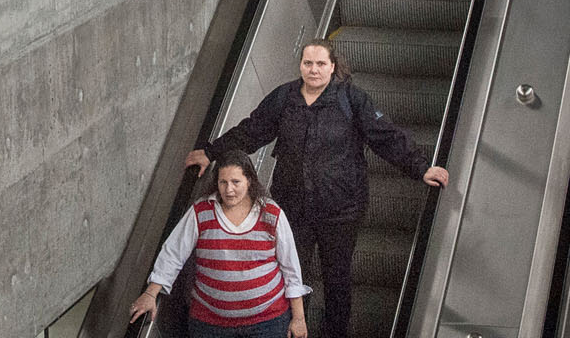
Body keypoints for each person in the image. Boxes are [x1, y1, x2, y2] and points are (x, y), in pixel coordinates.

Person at [184, 40, 447, 338]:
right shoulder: (284, 98)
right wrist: (211, 151)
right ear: (301, 66)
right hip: (294, 209)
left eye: (321, 64)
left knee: (337, 280)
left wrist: (421, 167)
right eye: (308, 63)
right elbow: (251, 131)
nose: (314, 69)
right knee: (293, 277)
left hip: (342, 211)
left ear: (332, 66)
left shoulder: (351, 99)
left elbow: (384, 136)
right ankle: (298, 331)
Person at [131, 151, 309, 338]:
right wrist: (151, 294)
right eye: (223, 182)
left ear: (249, 180)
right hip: (211, 325)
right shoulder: (201, 212)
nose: (229, 190)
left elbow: (291, 269)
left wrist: (298, 318)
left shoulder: (271, 213)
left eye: (235, 182)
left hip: (268, 322)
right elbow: (173, 253)